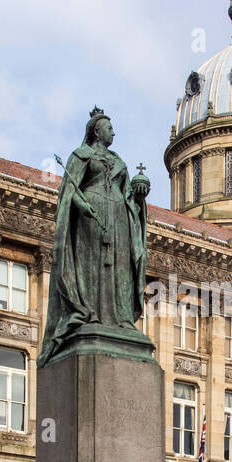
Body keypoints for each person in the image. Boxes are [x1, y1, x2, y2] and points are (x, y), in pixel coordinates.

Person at [37, 108, 151, 367]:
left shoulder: (118, 160)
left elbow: (128, 196)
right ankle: (91, 314)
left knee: (119, 265)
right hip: (91, 216)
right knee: (94, 264)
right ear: (96, 131)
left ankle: (120, 317)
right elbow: (69, 189)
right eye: (109, 128)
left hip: (119, 218)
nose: (113, 132)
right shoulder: (82, 155)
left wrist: (140, 194)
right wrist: (81, 203)